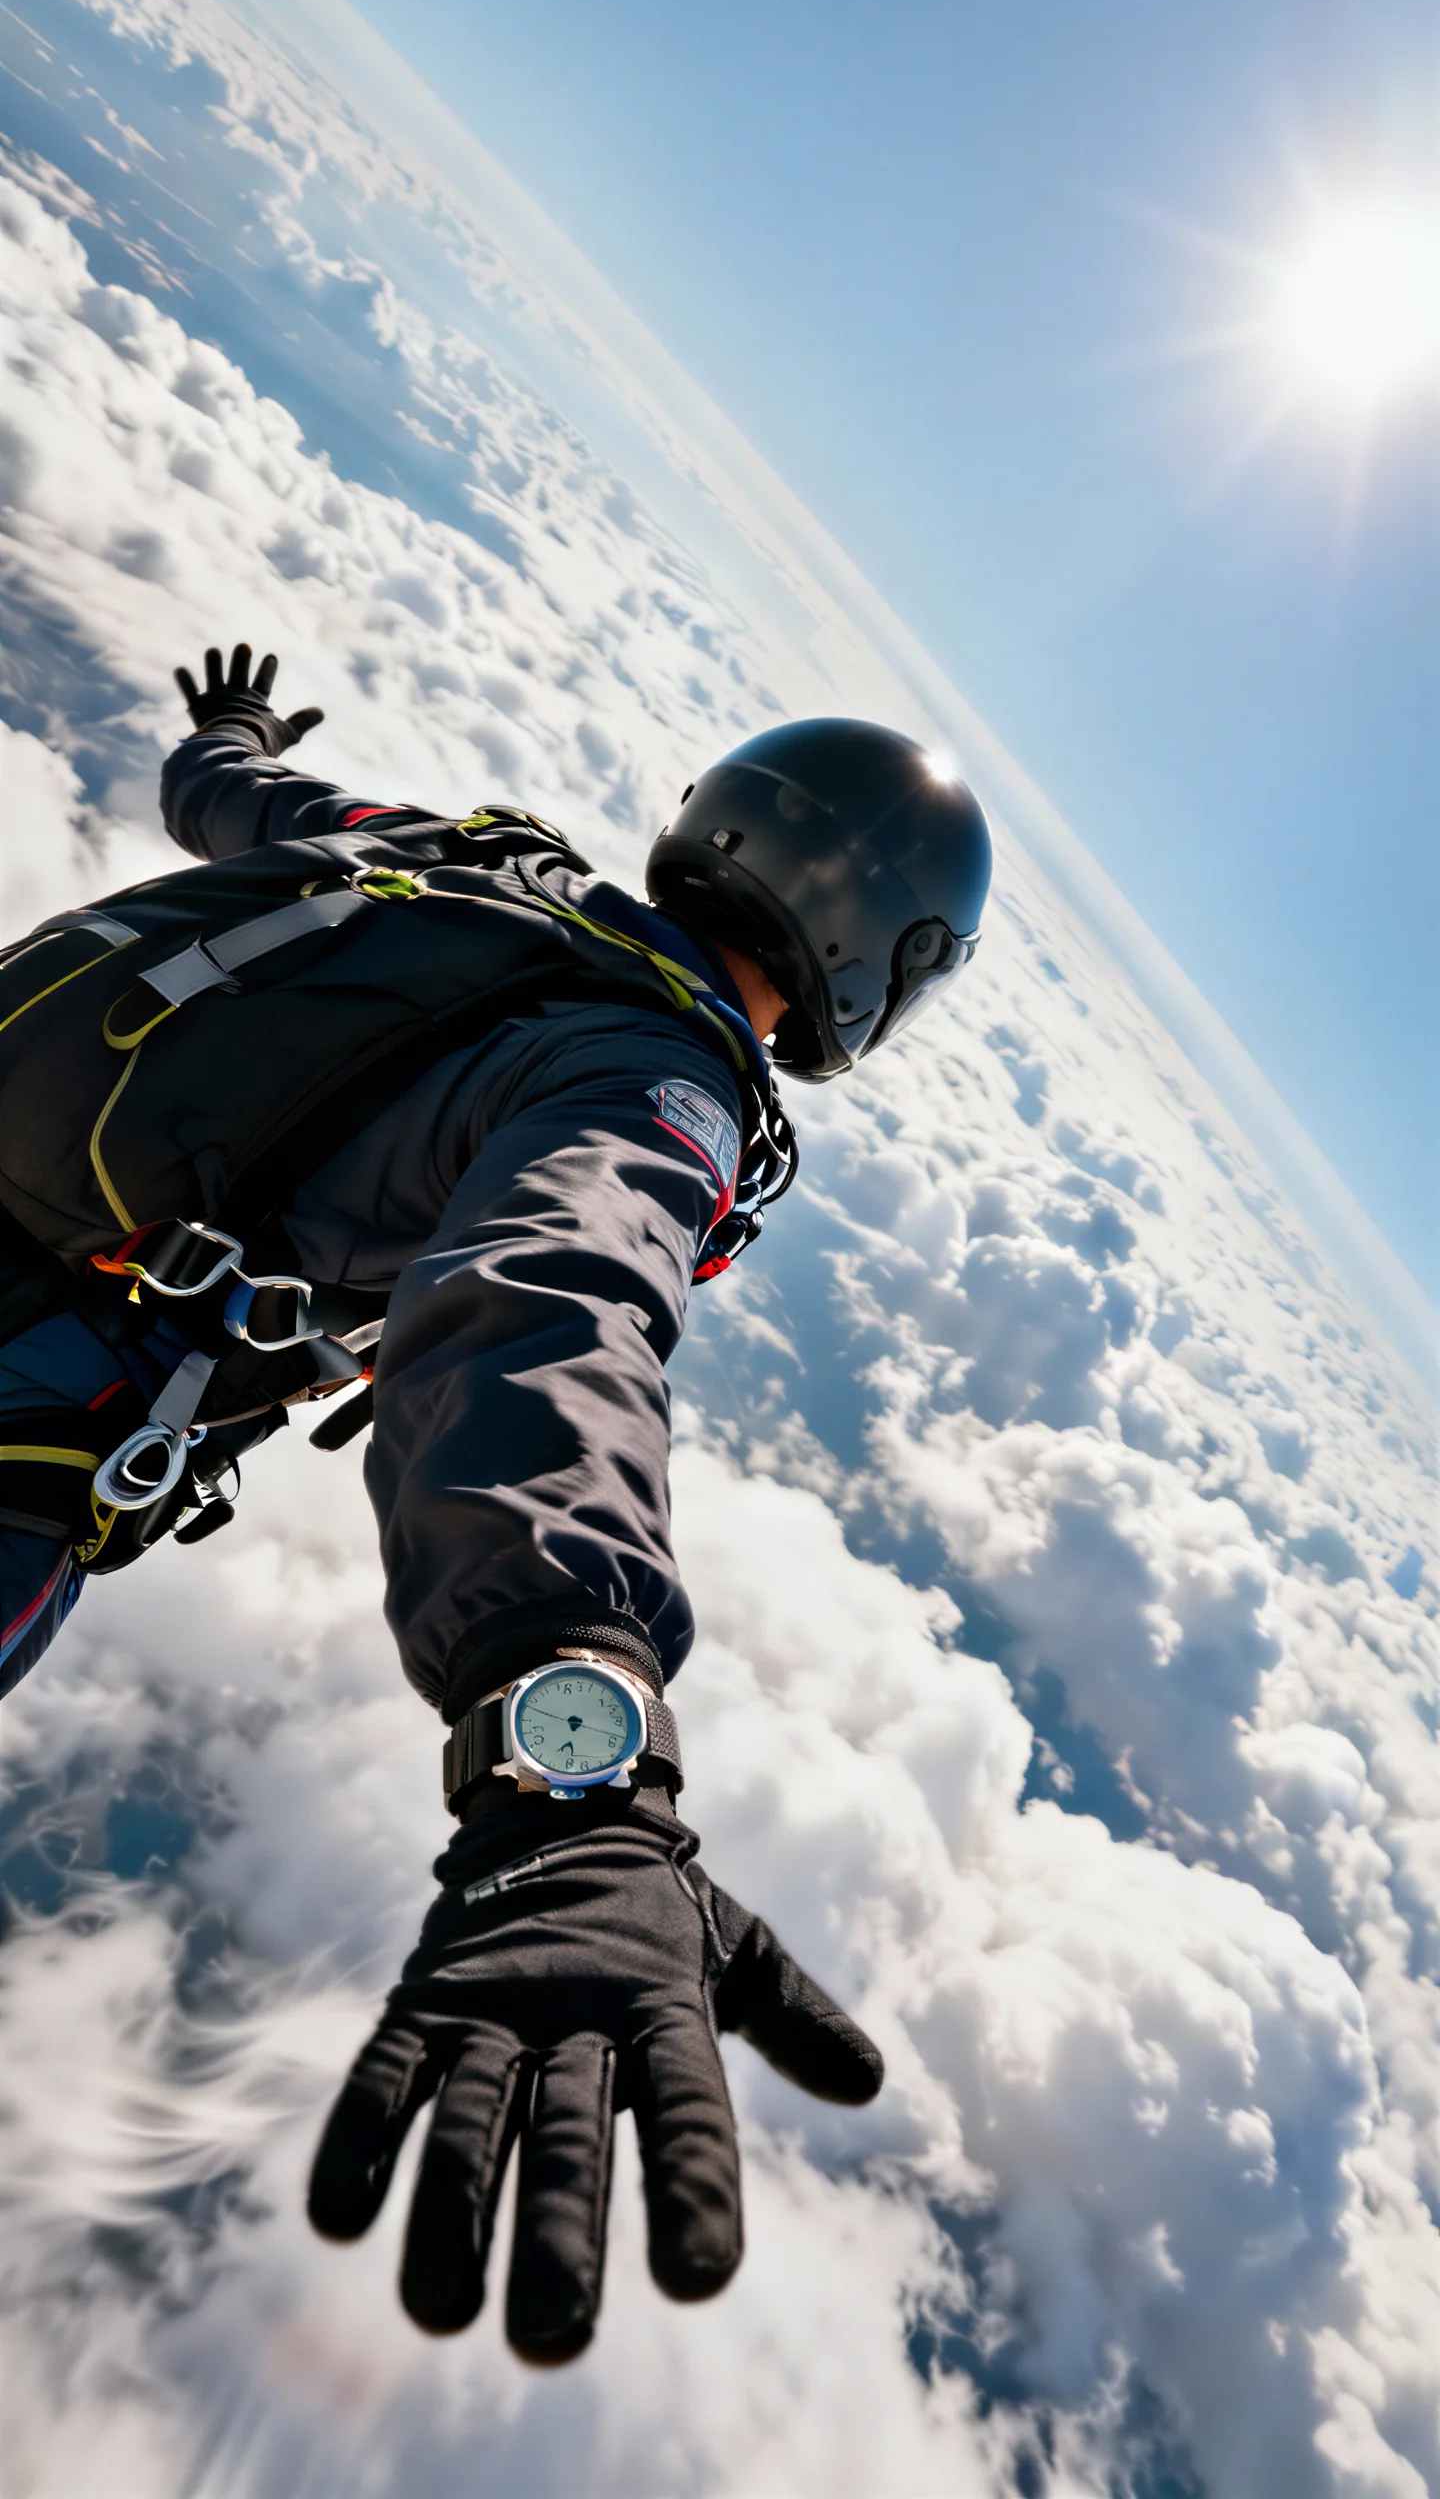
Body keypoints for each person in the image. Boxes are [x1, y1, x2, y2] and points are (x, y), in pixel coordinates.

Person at [0, 645, 992, 2362]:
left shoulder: (460, 853)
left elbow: (233, 803)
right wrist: (572, 1776)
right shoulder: (659, 1078)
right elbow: (548, 1307)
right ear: (884, 969)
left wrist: (230, 731)